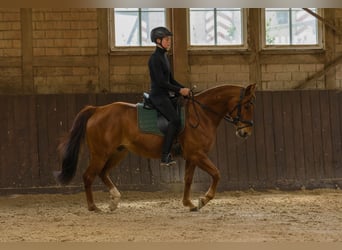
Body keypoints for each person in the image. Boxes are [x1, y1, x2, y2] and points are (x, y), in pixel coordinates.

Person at [148, 26, 191, 167]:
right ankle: (165, 155)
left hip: (165, 94)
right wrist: (179, 90)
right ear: (158, 40)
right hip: (158, 96)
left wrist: (184, 88)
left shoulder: (164, 57)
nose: (169, 42)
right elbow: (161, 82)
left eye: (169, 39)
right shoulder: (154, 59)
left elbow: (171, 80)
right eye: (166, 39)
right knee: (174, 120)